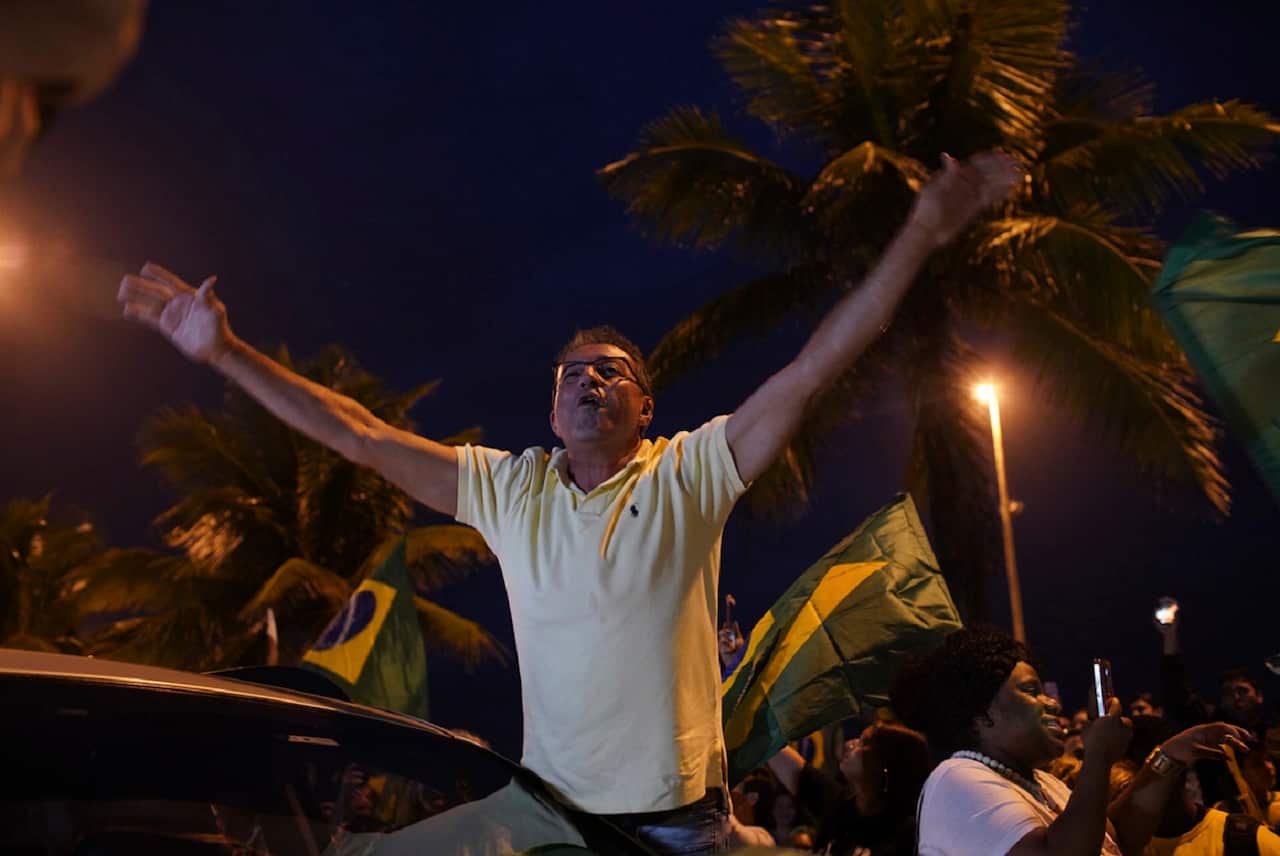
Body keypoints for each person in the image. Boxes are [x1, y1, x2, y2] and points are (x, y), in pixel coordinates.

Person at [117, 150, 1023, 853]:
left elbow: (815, 368)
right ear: (551, 399)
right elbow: (359, 433)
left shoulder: (689, 471)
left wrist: (922, 231)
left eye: (610, 371)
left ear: (644, 404)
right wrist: (226, 353)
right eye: (571, 371)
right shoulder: (511, 490)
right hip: (549, 823)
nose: (587, 379)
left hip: (675, 828)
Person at [891, 626, 1253, 856]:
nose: (1053, 703)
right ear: (983, 713)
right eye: (1031, 691)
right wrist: (1097, 757)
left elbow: (1115, 838)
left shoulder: (1041, 782)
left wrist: (1169, 757)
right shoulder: (958, 779)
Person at [768, 720, 930, 856]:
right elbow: (779, 755)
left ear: (883, 765)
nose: (849, 744)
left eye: (863, 742)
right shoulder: (841, 806)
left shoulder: (905, 838)